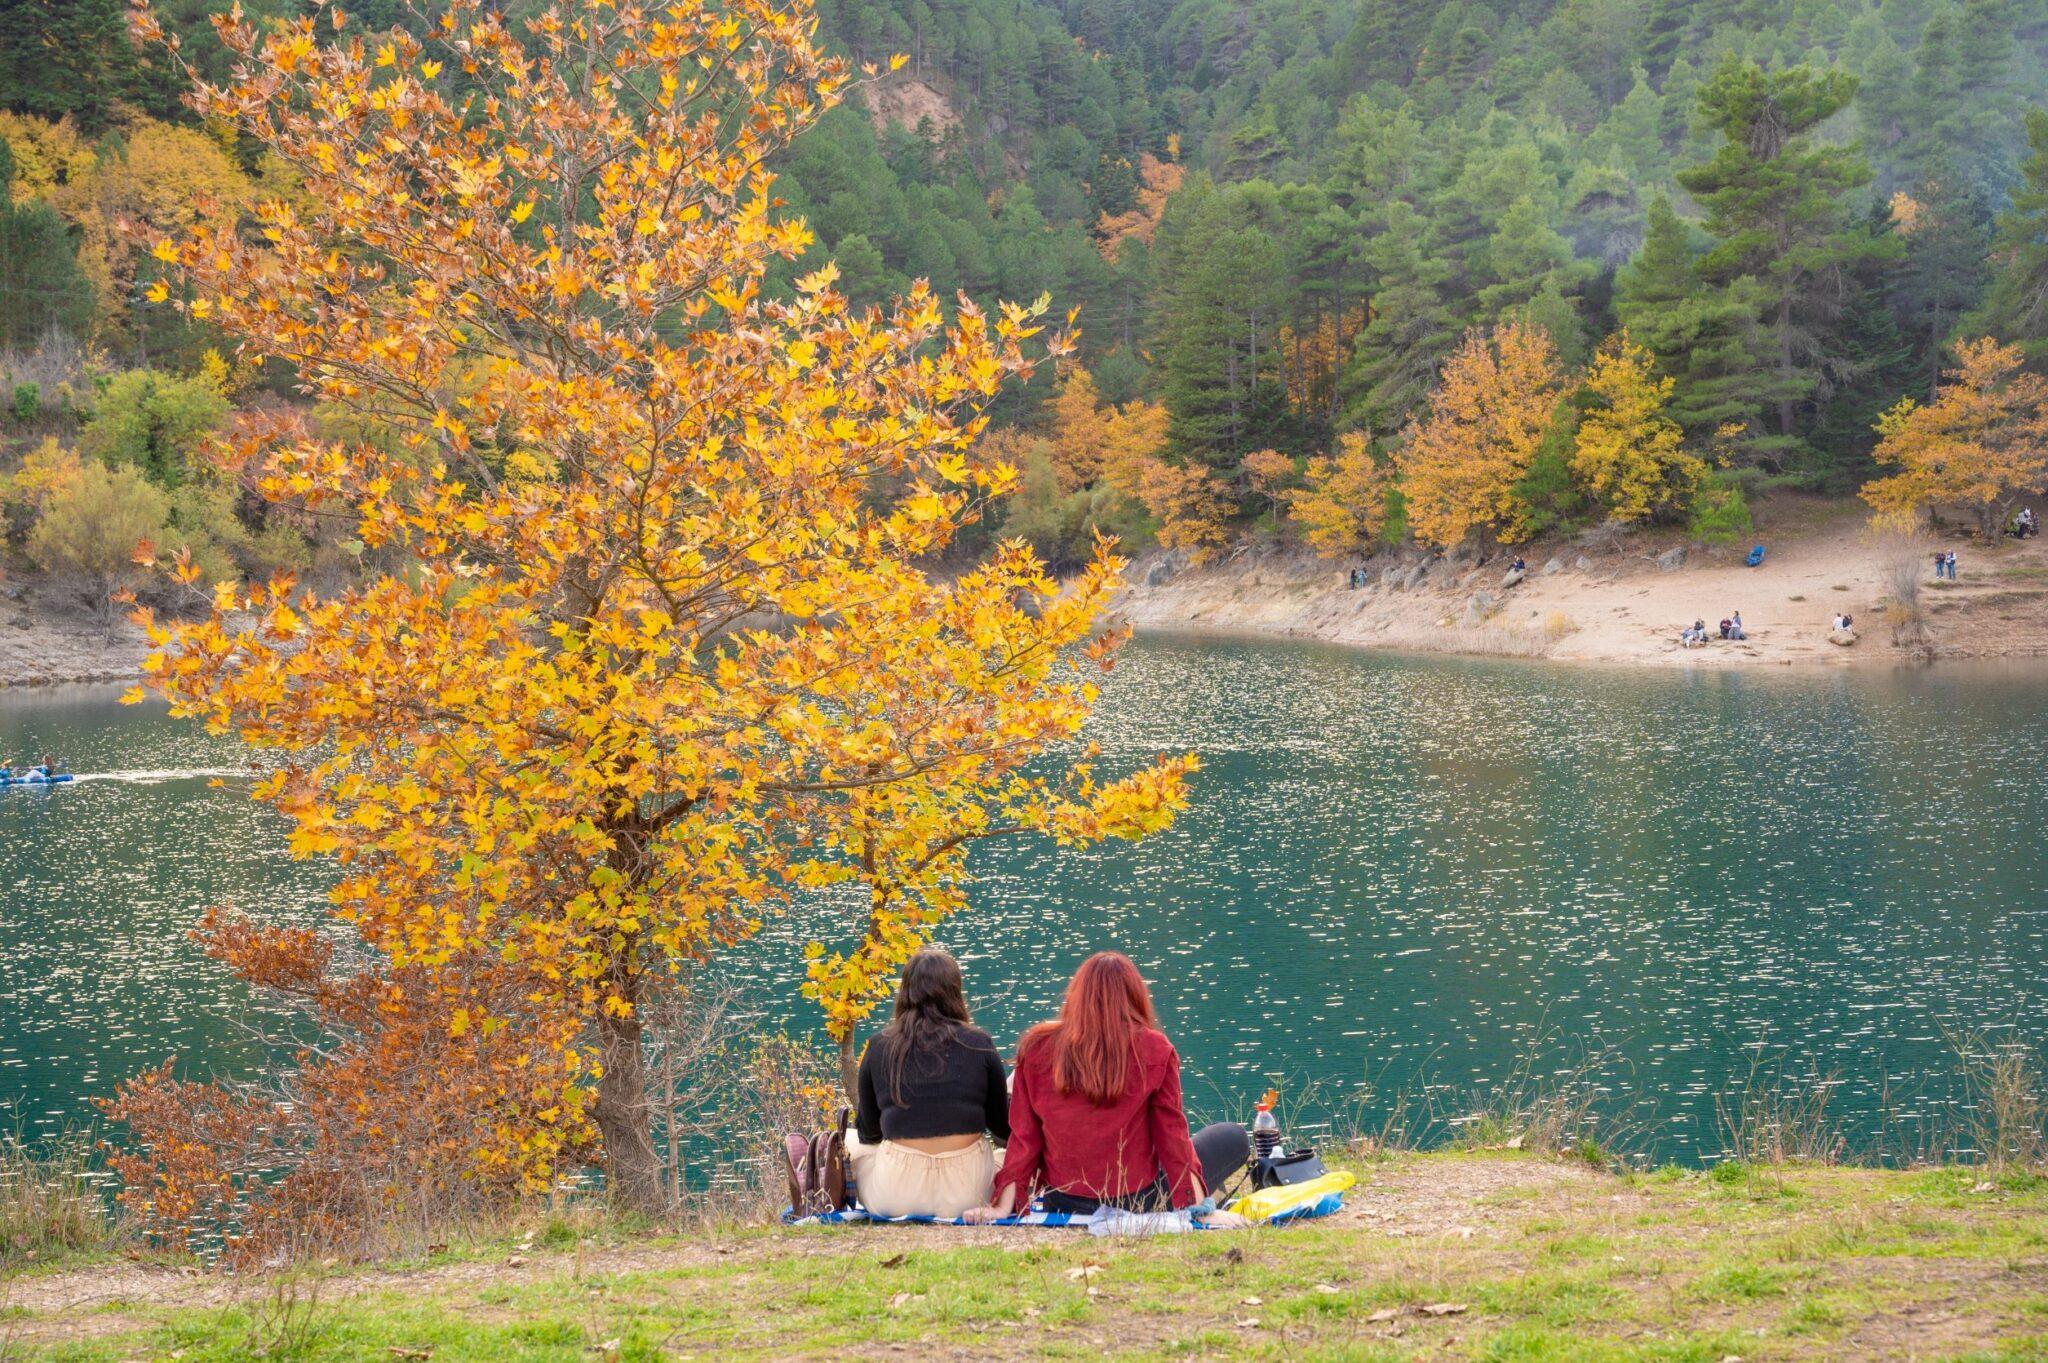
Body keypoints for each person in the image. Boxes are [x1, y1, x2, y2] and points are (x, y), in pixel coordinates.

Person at [965, 952, 1248, 1223]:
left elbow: (1024, 1138)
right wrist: (1198, 1208)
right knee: (1233, 1136)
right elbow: (1171, 1136)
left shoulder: (1037, 1047)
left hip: (1062, 1200)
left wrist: (1003, 1205)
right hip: (1136, 1200)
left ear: (1076, 996)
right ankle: (1206, 1199)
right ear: (1134, 996)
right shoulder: (1155, 1049)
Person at [843, 947, 1010, 1220]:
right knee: (1014, 1154)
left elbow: (869, 1133)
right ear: (955, 991)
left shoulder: (879, 1045)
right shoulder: (979, 1043)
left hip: (895, 1195)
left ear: (905, 991)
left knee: (849, 1141)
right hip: (970, 1194)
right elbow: (1002, 1129)